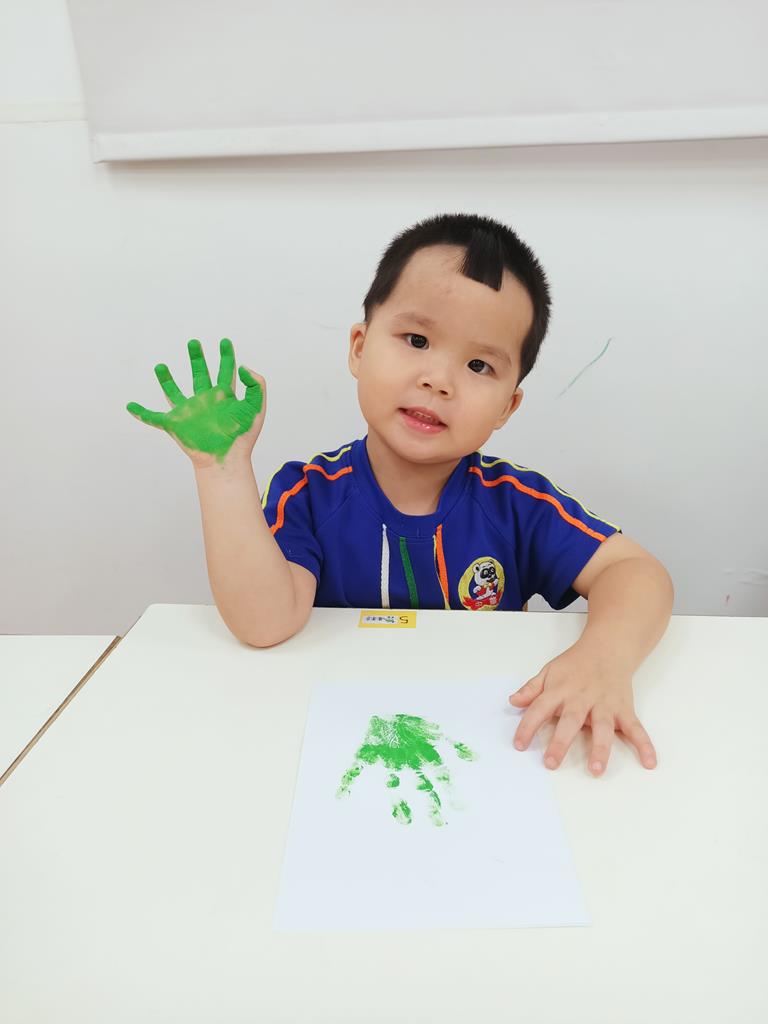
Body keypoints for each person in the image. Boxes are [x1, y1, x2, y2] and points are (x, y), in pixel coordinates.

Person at [126, 212, 674, 778]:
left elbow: (636, 572)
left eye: (479, 365)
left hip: (487, 753)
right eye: (417, 340)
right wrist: (223, 472)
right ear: (359, 348)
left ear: (507, 406)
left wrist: (604, 658)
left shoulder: (517, 503)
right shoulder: (309, 494)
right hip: (336, 748)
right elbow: (263, 624)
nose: (439, 379)